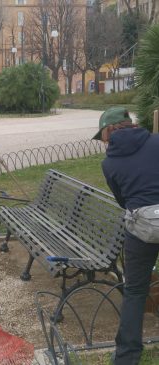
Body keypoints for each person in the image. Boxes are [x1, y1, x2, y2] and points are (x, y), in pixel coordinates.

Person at [93, 106, 159, 365]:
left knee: (135, 291)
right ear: (130, 123)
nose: (104, 142)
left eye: (103, 136)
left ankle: (127, 356)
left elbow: (123, 201)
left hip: (141, 228)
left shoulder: (109, 164)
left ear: (109, 131)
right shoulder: (156, 141)